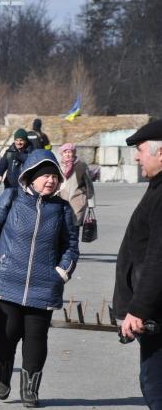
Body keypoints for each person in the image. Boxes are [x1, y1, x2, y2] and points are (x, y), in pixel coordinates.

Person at [0, 149, 79, 407]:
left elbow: (71, 247)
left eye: (54, 176)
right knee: (7, 334)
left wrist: (61, 272)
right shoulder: (11, 198)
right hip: (6, 282)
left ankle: (30, 389)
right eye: (45, 176)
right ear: (31, 176)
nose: (50, 180)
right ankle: (3, 373)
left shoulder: (62, 209)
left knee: (36, 340)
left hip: (44, 286)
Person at [113, 119, 162, 409]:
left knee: (156, 385)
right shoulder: (157, 187)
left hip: (155, 313)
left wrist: (139, 309)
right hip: (153, 312)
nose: (136, 156)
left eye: (141, 149)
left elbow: (158, 256)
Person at [58, 143, 95, 226]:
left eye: (70, 152)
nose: (67, 154)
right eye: (65, 152)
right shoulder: (59, 166)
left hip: (78, 202)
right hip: (61, 202)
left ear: (74, 153)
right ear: (62, 154)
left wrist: (91, 203)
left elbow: (89, 185)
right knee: (62, 228)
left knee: (74, 229)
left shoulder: (81, 166)